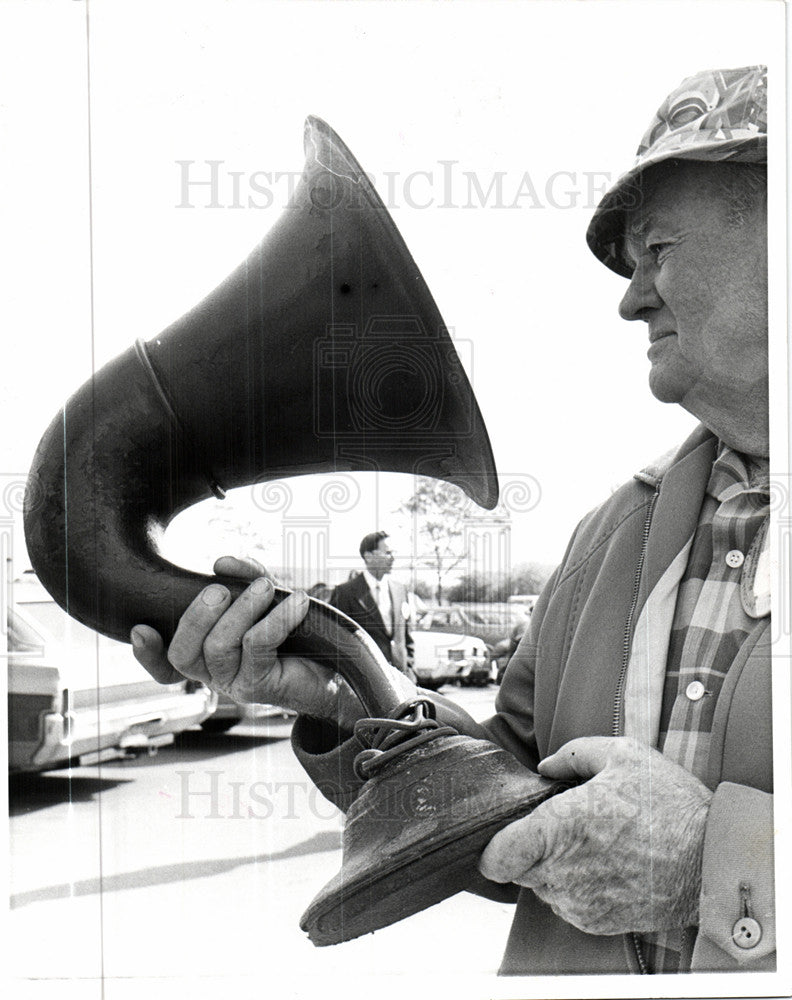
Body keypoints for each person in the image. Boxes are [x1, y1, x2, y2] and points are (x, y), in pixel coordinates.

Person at [130, 66, 774, 975]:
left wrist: (718, 869)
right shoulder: (610, 534)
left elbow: (692, 861)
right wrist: (346, 696)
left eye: (658, 251)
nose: (631, 298)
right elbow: (508, 796)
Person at [326, 531, 415, 678]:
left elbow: (406, 636)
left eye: (393, 552)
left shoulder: (400, 590)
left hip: (403, 679)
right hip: (367, 683)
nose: (393, 557)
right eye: (387, 552)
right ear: (368, 556)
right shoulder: (345, 593)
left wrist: (410, 668)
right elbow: (335, 640)